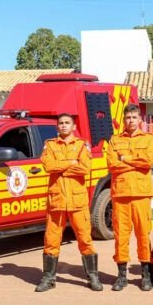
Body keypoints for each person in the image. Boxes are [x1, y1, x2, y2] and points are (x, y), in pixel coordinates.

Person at [36, 113, 102, 292]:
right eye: (60, 123)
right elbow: (48, 166)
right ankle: (48, 278)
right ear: (57, 127)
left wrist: (61, 166)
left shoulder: (82, 145)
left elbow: (85, 168)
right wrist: (70, 162)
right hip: (56, 200)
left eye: (67, 123)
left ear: (73, 127)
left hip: (76, 201)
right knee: (51, 239)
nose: (63, 126)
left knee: (84, 238)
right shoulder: (50, 144)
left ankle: (92, 277)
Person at [105, 104, 153, 291]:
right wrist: (136, 162)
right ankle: (121, 276)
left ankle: (145, 275)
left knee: (143, 234)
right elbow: (112, 165)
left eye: (134, 117)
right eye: (128, 118)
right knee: (121, 236)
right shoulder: (115, 139)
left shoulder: (148, 139)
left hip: (141, 194)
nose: (131, 121)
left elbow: (148, 162)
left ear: (140, 119)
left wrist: (125, 159)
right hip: (120, 195)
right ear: (124, 120)